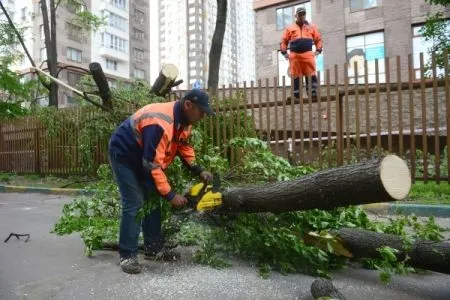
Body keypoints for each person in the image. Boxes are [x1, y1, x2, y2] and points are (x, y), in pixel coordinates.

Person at [108, 89, 214, 274]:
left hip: (144, 157)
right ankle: (127, 256)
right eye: (201, 111)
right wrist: (171, 195)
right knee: (135, 202)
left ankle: (153, 248)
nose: (203, 115)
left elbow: (183, 146)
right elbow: (152, 165)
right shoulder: (160, 122)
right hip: (125, 154)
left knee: (153, 200)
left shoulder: (184, 121)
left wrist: (198, 169)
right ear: (188, 105)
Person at [280, 6, 322, 99]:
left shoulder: (311, 27)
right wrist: (284, 53)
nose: (302, 16)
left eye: (304, 14)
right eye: (300, 14)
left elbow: (318, 39)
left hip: (308, 55)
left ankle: (312, 93)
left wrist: (318, 50)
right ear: (296, 15)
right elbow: (284, 41)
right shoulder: (290, 28)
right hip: (295, 56)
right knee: (296, 75)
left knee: (310, 73)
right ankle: (296, 94)